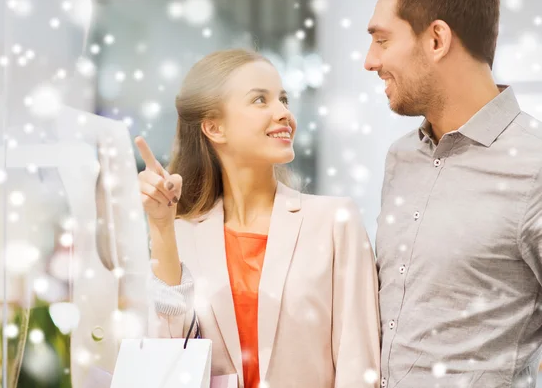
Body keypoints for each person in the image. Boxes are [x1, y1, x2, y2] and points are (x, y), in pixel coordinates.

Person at [137, 48, 380, 388]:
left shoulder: (334, 222)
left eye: (284, 99)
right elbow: (166, 362)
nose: (283, 113)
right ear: (214, 128)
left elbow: (359, 365)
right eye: (260, 100)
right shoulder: (181, 235)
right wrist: (162, 227)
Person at [364, 0, 542, 387]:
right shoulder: (401, 157)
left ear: (437, 39)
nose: (370, 60)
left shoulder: (534, 166)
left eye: (381, 39)